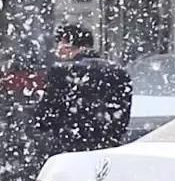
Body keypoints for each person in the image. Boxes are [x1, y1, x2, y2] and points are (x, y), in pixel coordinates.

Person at [32, 23, 132, 156]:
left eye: (60, 43)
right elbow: (121, 120)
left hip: (70, 153)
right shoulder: (119, 73)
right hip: (109, 153)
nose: (58, 50)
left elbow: (44, 120)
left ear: (67, 44)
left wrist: (43, 99)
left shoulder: (61, 72)